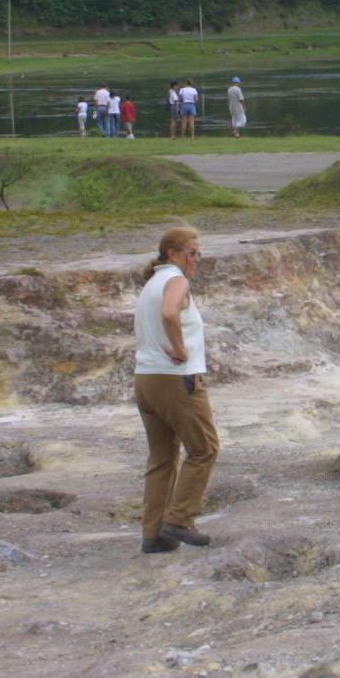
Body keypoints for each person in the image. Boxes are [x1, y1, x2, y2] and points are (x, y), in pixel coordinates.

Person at [133, 226, 219, 554]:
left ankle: (154, 534)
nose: (196, 259)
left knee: (162, 457)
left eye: (199, 253)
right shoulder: (176, 280)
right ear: (173, 253)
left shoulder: (151, 283)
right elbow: (170, 313)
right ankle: (180, 519)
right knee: (204, 449)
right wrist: (181, 349)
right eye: (192, 252)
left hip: (146, 378)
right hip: (174, 377)